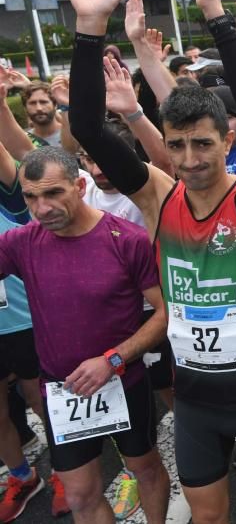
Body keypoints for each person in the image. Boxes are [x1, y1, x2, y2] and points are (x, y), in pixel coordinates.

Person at [64, 0, 236, 523]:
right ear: (163, 148)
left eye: (203, 144)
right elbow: (92, 131)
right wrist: (91, 30)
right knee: (206, 515)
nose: (191, 159)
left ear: (227, 140)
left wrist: (218, 17)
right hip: (196, 403)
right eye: (178, 147)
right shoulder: (157, 197)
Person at [0, 146, 170, 523]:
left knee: (144, 469)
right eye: (31, 197)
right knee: (79, 495)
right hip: (63, 392)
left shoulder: (125, 239)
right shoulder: (23, 242)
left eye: (53, 193)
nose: (42, 208)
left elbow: (165, 314)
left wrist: (112, 359)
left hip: (124, 383)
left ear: (79, 185)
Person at [0, 141, 70, 521]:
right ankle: (22, 477)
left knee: (41, 401)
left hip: (23, 319)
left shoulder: (12, 191)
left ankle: (65, 472)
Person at [21, 82, 61, 148]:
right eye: (32, 103)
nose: (38, 108)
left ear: (55, 105)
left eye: (43, 102)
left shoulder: (72, 134)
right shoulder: (23, 141)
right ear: (25, 108)